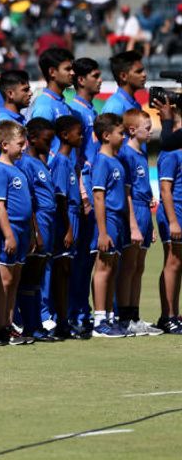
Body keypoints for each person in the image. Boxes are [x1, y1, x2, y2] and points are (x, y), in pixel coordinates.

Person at [117, 109, 163, 336]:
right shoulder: (124, 154)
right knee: (128, 266)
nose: (151, 130)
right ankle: (124, 316)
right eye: (147, 127)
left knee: (139, 266)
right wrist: (134, 225)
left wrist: (149, 226)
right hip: (133, 211)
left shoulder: (142, 153)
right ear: (132, 130)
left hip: (144, 211)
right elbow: (126, 193)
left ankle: (135, 315)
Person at [0, 120, 33, 346]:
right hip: (11, 230)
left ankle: (10, 324)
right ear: (5, 145)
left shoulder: (18, 169)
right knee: (3, 281)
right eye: (20, 143)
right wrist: (8, 235)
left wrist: (31, 232)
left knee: (14, 280)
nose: (24, 148)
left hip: (23, 232)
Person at [67, 57, 101, 334]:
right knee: (75, 257)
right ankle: (71, 312)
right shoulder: (74, 111)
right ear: (81, 80)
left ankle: (82, 310)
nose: (99, 80)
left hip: (91, 187)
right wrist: (81, 190)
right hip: (82, 190)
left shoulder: (91, 109)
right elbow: (75, 158)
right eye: (95, 76)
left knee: (88, 255)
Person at [16, 118, 58, 342]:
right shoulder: (26, 164)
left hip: (48, 222)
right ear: (32, 139)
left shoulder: (41, 163)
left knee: (37, 277)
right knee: (30, 275)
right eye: (47, 140)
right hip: (38, 223)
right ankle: (30, 325)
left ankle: (36, 326)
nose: (50, 144)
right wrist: (35, 232)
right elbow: (30, 201)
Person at [89, 113, 128, 338]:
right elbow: (99, 197)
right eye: (120, 133)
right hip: (108, 220)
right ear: (106, 135)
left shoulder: (116, 160)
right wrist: (102, 232)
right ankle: (99, 319)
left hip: (118, 219)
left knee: (112, 267)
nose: (123, 137)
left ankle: (110, 317)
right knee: (103, 268)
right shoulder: (102, 161)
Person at [48, 115, 85, 339]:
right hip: (66, 220)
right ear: (64, 135)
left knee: (68, 270)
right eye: (78, 133)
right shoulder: (60, 162)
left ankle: (65, 318)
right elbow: (60, 198)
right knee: (61, 271)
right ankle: (60, 320)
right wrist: (68, 228)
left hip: (74, 217)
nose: (81, 136)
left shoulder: (70, 161)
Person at [156, 106, 182, 334]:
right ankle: (167, 315)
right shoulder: (170, 151)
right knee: (172, 263)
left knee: (178, 263)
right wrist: (173, 221)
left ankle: (175, 312)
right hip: (174, 213)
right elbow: (165, 190)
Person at [31, 48, 74, 123]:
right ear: (52, 72)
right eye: (68, 69)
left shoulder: (62, 103)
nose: (72, 73)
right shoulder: (44, 107)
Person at [102, 51, 145, 116]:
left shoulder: (136, 105)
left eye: (143, 70)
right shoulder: (115, 107)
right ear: (123, 76)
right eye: (138, 72)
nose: (144, 74)